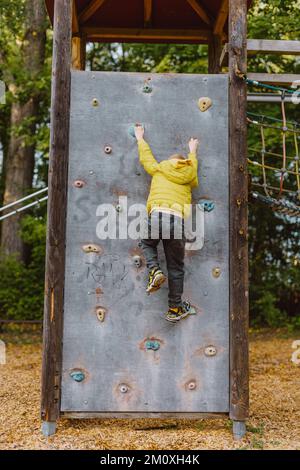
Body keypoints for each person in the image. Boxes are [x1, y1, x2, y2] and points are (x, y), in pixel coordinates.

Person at [134, 124, 199, 323]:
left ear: (169, 162)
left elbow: (146, 158)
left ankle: (154, 270)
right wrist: (193, 150)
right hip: (177, 222)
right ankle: (174, 308)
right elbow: (193, 165)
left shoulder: (160, 169)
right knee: (176, 267)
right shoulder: (190, 175)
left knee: (146, 243)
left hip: (157, 215)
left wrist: (140, 138)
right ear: (185, 163)